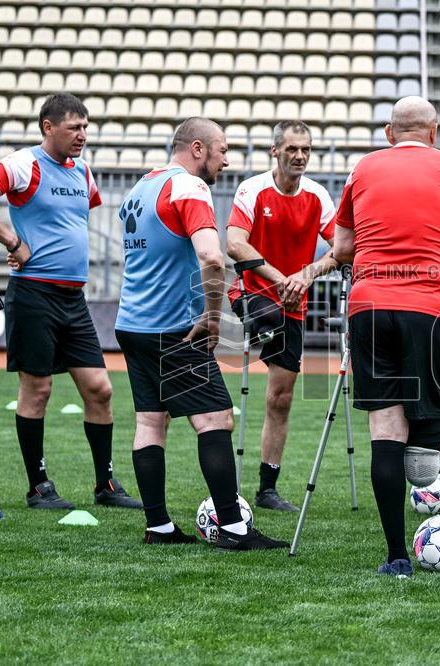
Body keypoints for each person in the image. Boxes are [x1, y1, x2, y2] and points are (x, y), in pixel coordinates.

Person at [333, 97, 440, 577]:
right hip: (429, 305)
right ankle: (426, 456)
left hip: (369, 304)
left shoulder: (361, 170)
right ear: (433, 131)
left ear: (390, 132)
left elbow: (342, 248)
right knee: (427, 423)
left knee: (384, 431)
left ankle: (396, 556)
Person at [114, 116, 288, 549]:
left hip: (131, 324)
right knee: (216, 419)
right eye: (222, 150)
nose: (226, 161)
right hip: (175, 327)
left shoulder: (141, 187)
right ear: (197, 148)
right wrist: (213, 316)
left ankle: (159, 527)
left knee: (151, 422)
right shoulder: (189, 187)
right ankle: (232, 528)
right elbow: (212, 259)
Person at [0, 93, 141, 510]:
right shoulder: (22, 164)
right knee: (37, 389)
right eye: (73, 128)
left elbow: (75, 220)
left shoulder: (83, 171)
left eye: (85, 127)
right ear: (49, 127)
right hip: (33, 294)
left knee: (99, 389)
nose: (82, 135)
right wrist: (12, 240)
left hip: (73, 298)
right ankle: (38, 486)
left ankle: (106, 486)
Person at [225, 120, 338, 511]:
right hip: (253, 293)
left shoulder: (318, 195)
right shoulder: (252, 189)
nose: (301, 156)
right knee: (270, 315)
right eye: (292, 149)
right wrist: (282, 279)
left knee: (281, 397)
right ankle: (256, 339)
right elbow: (234, 244)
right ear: (276, 151)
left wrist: (305, 276)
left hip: (294, 302)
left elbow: (343, 249)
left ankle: (267, 488)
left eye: (306, 149)